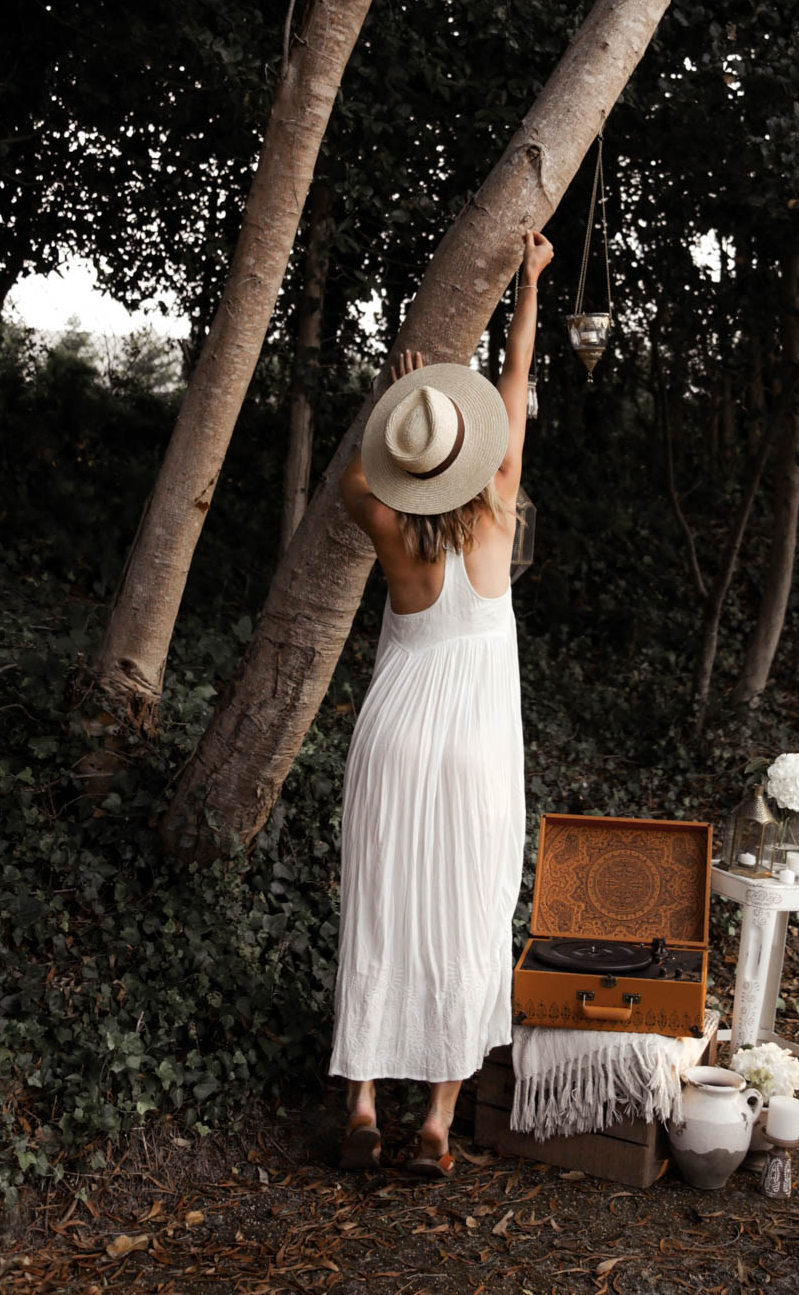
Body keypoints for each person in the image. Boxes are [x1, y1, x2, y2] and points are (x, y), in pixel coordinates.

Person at [330, 230, 553, 1178]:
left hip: (394, 733)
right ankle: (435, 1126)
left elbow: (358, 475)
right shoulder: (500, 502)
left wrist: (394, 400)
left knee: (380, 909)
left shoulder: (382, 520)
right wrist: (529, 287)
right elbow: (515, 386)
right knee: (467, 912)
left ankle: (365, 1104)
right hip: (472, 746)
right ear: (472, 457)